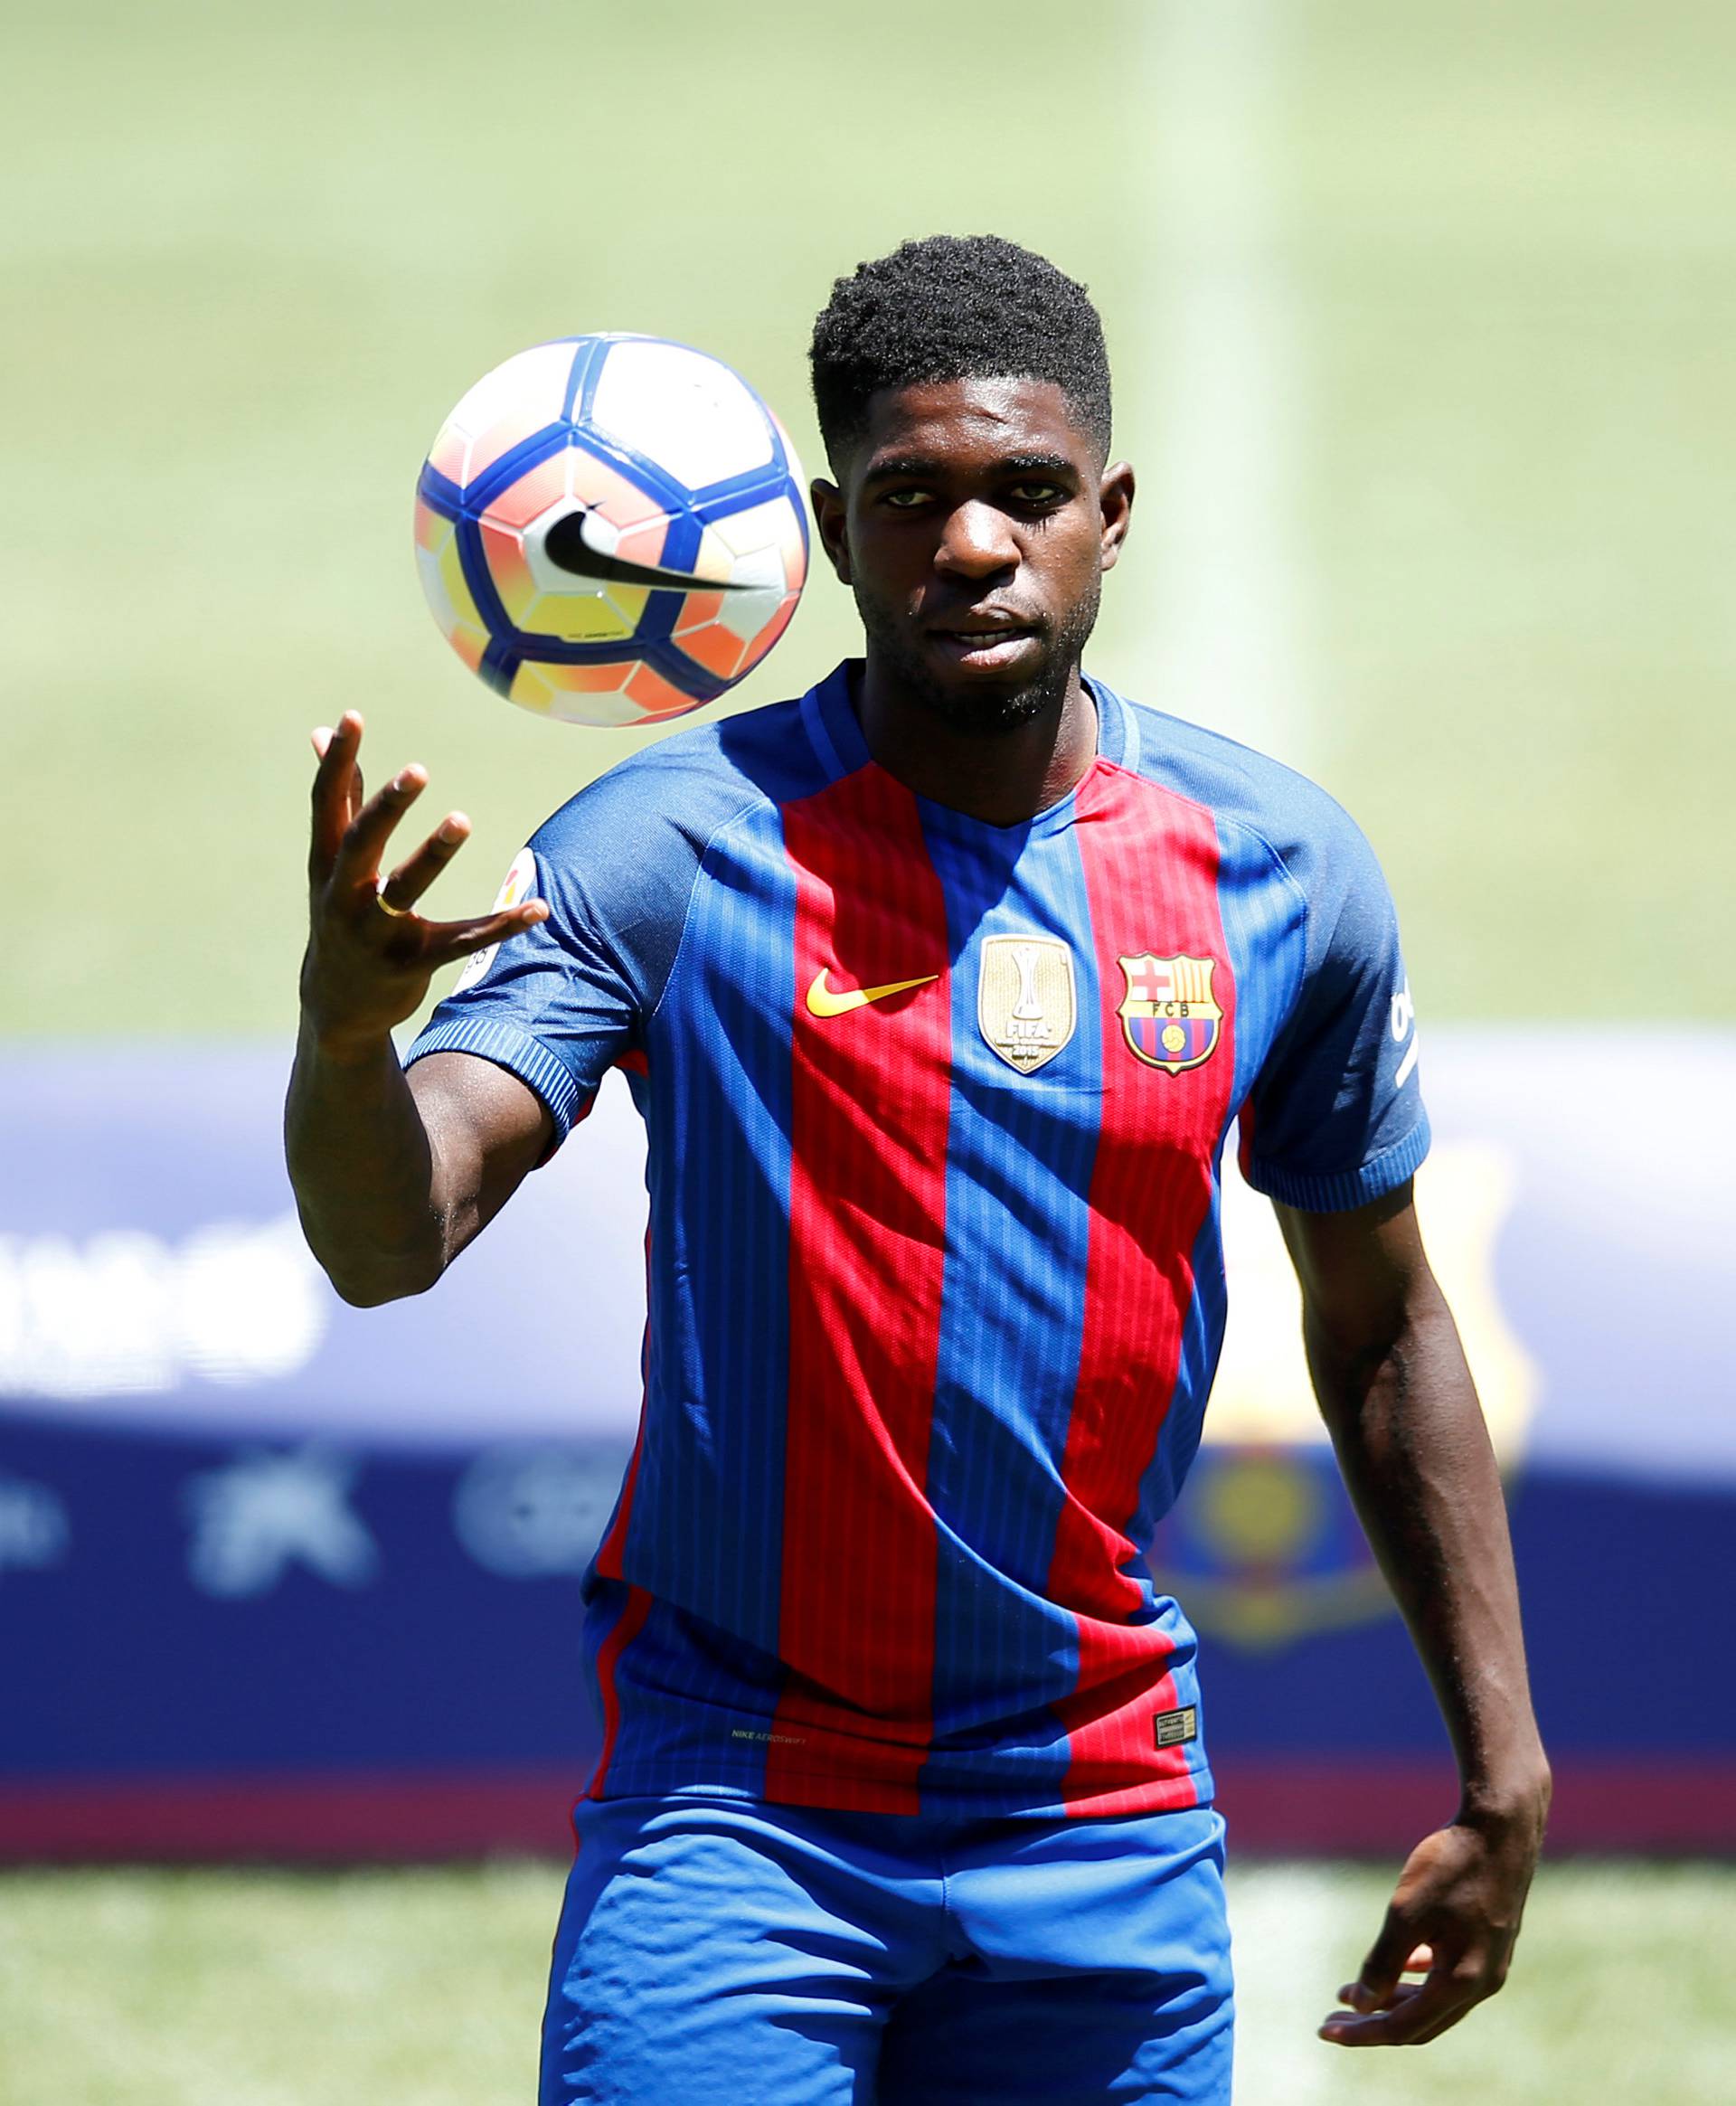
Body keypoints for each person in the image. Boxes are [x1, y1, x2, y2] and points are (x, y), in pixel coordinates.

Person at [287, 235, 1550, 2103]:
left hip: (1098, 1802)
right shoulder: (663, 852)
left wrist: (1502, 1763)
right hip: (740, 1809)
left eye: (1027, 492)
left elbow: (1379, 1323)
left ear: (1109, 515)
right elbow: (391, 1236)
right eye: (912, 496)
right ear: (825, 527)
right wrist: (342, 1035)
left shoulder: (1278, 873)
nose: (972, 543)